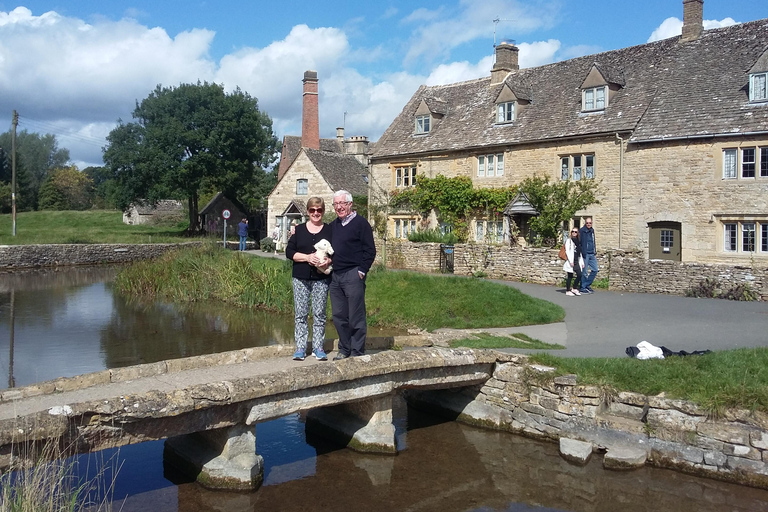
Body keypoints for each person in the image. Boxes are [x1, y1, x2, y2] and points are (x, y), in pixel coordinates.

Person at [329, 190, 376, 360]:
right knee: (339, 315)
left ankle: (357, 351)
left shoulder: (360, 223)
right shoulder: (334, 225)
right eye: (336, 204)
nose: (339, 207)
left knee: (356, 315)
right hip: (335, 276)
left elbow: (370, 250)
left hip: (352, 274)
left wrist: (362, 271)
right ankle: (344, 348)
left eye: (342, 203)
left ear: (350, 204)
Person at [285, 197, 333, 361]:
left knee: (319, 314)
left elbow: (335, 252)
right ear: (307, 211)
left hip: (321, 278)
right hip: (300, 277)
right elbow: (289, 252)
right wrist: (307, 257)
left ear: (323, 211)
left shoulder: (329, 230)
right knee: (301, 314)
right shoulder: (298, 231)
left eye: (319, 210)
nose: (316, 213)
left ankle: (318, 347)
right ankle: (301, 347)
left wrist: (328, 260)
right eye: (312, 210)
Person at [579, 217, 598, 294]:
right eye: (587, 223)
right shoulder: (582, 231)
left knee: (595, 269)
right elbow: (579, 243)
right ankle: (583, 287)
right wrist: (581, 252)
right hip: (585, 254)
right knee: (585, 272)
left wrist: (594, 250)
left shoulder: (592, 231)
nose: (589, 224)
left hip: (592, 253)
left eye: (590, 223)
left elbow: (593, 241)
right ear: (585, 223)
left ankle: (587, 285)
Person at [563, 227, 583, 297]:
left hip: (577, 260)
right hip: (571, 260)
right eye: (573, 231)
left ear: (577, 233)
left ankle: (574, 288)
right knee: (570, 276)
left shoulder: (578, 241)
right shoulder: (569, 240)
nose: (574, 233)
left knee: (579, 275)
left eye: (575, 232)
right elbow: (567, 251)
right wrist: (571, 261)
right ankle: (568, 290)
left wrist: (582, 262)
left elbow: (580, 253)